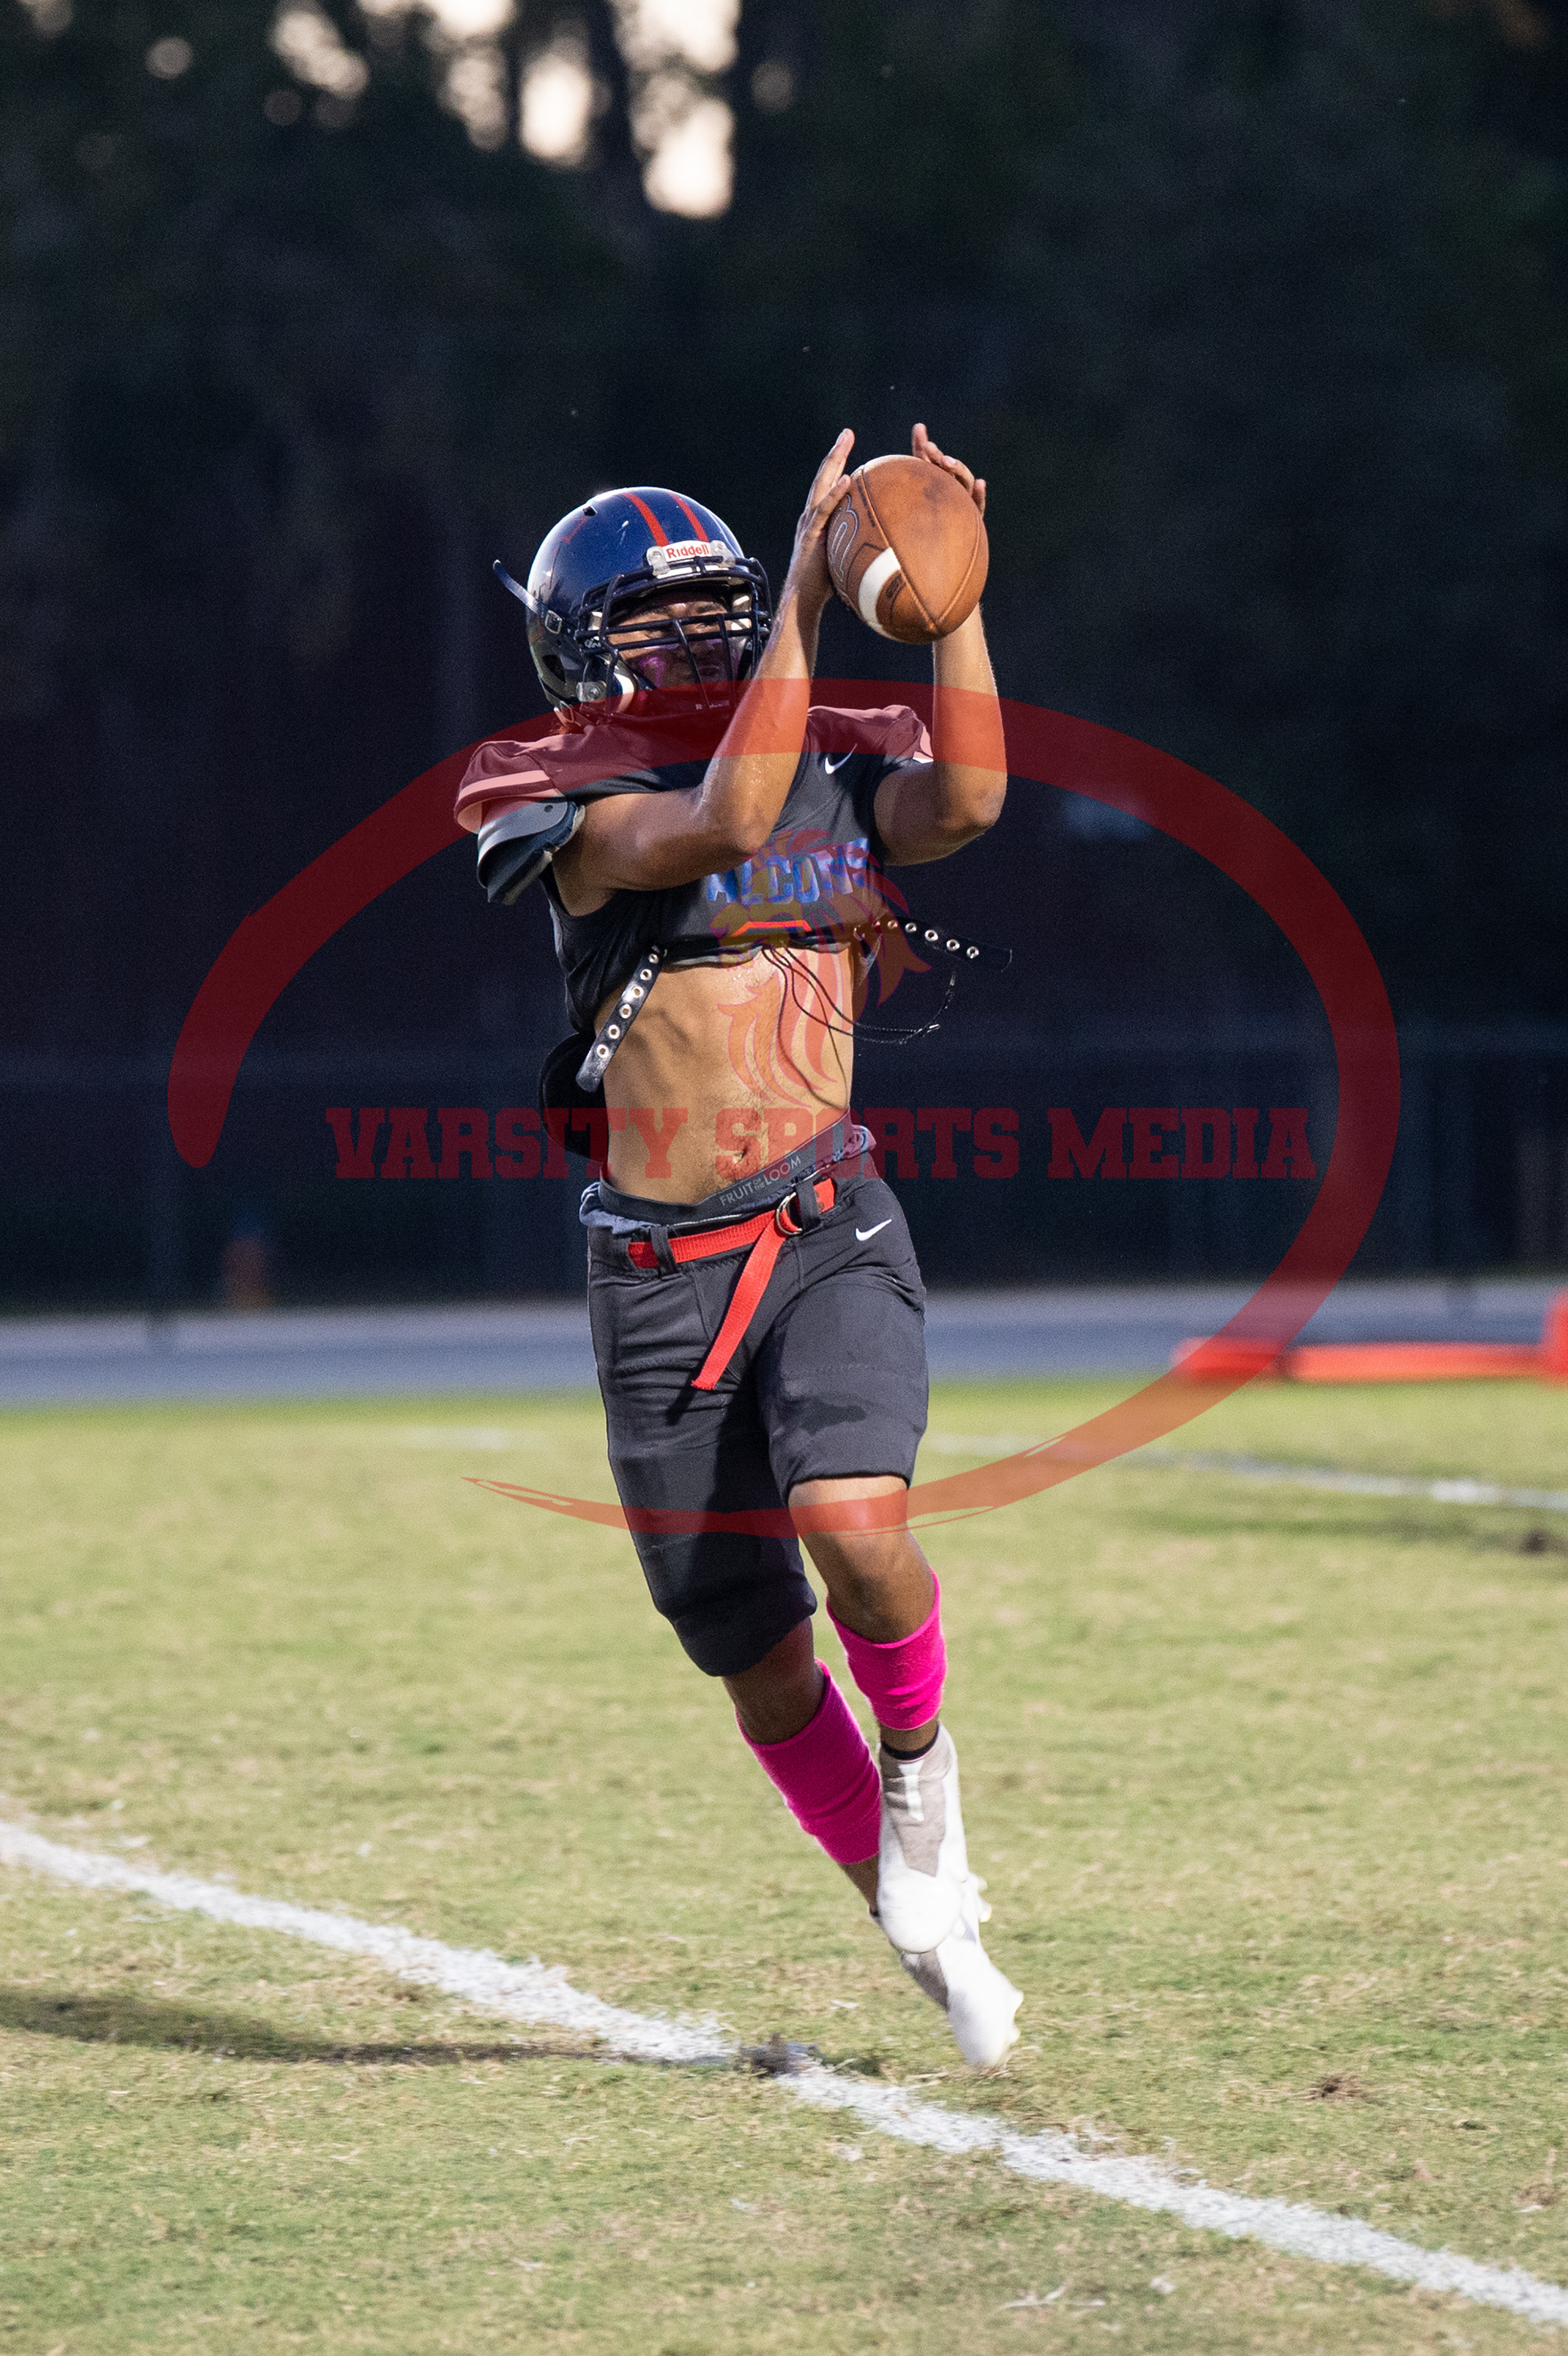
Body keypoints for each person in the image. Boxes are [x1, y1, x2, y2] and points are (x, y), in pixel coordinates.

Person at [454, 426, 1021, 2067]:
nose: (705, 643)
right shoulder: (545, 794)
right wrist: (802, 611)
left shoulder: (826, 770)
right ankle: (921, 1919)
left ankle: (923, 1774)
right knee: (762, 1667)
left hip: (823, 1217)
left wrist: (956, 597)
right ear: (580, 657)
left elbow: (971, 797)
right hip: (658, 1276)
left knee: (855, 1521)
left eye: (726, 614)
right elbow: (717, 821)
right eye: (666, 625)